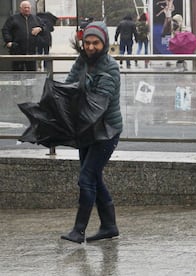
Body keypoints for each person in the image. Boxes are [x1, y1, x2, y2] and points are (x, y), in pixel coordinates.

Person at [61, 21, 123, 244]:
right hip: (86, 130)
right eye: (87, 42)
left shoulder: (111, 67)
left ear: (104, 42)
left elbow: (99, 103)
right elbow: (69, 87)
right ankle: (109, 226)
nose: (90, 47)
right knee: (94, 177)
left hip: (106, 131)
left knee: (86, 178)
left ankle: (79, 230)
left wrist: (77, 97)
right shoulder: (82, 61)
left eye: (95, 43)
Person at [1, 0, 44, 71]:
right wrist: (8, 42)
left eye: (28, 8)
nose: (26, 9)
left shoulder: (35, 19)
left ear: (30, 8)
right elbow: (5, 30)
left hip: (31, 52)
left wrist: (40, 28)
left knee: (31, 73)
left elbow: (45, 28)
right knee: (17, 73)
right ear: (20, 9)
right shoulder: (13, 18)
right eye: (24, 8)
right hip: (17, 51)